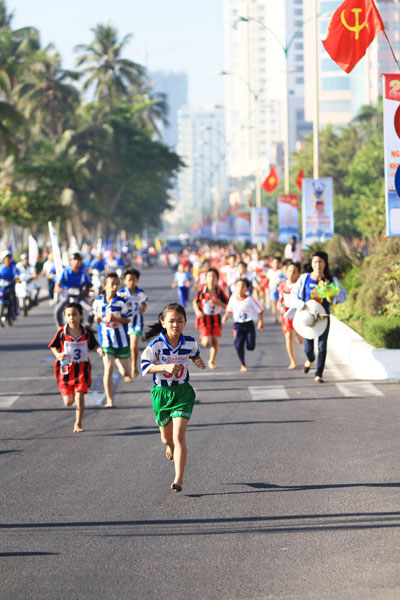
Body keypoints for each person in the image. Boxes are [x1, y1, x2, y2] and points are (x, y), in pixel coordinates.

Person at [141, 303, 206, 492]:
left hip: (183, 392)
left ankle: (178, 479)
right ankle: (169, 446)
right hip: (161, 394)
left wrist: (198, 361)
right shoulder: (156, 346)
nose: (175, 325)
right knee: (166, 438)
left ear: (185, 322)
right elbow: (144, 367)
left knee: (179, 435)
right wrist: (164, 367)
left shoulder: (190, 342)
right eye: (171, 321)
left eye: (180, 321)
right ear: (163, 322)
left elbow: (194, 355)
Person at [289, 251, 347, 383]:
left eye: (320, 261)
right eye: (315, 262)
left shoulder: (331, 280)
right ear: (311, 263)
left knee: (322, 346)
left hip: (323, 317)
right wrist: (301, 305)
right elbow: (293, 296)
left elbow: (344, 295)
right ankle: (310, 359)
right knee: (308, 348)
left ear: (325, 263)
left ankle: (319, 374)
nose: (318, 264)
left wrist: (333, 297)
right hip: (306, 318)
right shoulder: (304, 279)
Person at [48, 303, 104, 432]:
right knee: (68, 402)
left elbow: (94, 345)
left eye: (74, 314)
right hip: (66, 370)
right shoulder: (62, 332)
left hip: (82, 369)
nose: (72, 318)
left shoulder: (86, 332)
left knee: (80, 396)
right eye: (68, 315)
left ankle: (78, 423)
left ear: (81, 316)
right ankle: (70, 393)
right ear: (65, 317)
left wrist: (99, 350)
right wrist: (58, 355)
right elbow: (53, 346)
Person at [93, 272, 133, 406]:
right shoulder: (97, 302)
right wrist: (96, 319)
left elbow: (128, 319)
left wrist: (116, 319)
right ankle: (109, 399)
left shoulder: (123, 302)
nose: (115, 287)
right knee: (108, 368)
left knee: (125, 372)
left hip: (121, 341)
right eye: (112, 284)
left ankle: (122, 364)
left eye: (117, 284)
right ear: (104, 286)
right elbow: (94, 316)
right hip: (105, 341)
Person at [222, 278, 264, 372]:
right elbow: (229, 309)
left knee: (250, 346)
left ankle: (249, 343)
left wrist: (261, 321)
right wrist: (225, 317)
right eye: (238, 286)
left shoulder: (250, 299)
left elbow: (260, 310)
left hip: (249, 324)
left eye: (243, 286)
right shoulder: (233, 298)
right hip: (238, 325)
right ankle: (243, 364)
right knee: (238, 344)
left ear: (247, 289)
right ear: (235, 288)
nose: (240, 288)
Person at [193, 267, 228, 369]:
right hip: (204, 320)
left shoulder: (219, 291)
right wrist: (197, 311)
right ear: (206, 278)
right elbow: (195, 302)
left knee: (215, 342)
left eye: (214, 276)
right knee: (206, 342)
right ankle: (205, 341)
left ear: (217, 279)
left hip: (216, 320)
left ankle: (211, 361)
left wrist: (219, 303)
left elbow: (228, 305)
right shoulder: (202, 290)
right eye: (210, 276)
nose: (212, 279)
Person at [118, 267, 148, 378]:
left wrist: (142, 307)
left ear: (137, 280)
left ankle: (134, 366)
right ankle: (125, 368)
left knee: (133, 345)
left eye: (134, 279)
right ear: (124, 281)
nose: (132, 282)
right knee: (124, 348)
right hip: (122, 324)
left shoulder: (141, 293)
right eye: (129, 279)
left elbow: (144, 306)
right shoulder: (120, 293)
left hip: (136, 323)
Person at [53, 252, 92, 327]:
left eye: (78, 260)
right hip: (67, 296)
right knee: (57, 310)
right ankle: (59, 328)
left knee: (92, 309)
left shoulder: (83, 273)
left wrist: (87, 290)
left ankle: (88, 326)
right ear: (70, 261)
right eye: (74, 259)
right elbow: (57, 285)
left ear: (81, 261)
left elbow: (88, 285)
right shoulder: (65, 272)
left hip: (79, 297)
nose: (76, 261)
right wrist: (59, 289)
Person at [278, 261, 303, 369]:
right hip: (286, 313)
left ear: (298, 274)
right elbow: (281, 299)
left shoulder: (299, 286)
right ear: (286, 272)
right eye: (289, 271)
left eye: (294, 272)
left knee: (301, 340)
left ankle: (298, 333)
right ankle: (292, 360)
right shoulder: (283, 285)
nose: (292, 274)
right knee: (288, 336)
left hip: (298, 312)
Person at [267, 256, 286, 324]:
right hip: (272, 289)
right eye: (274, 263)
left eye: (277, 263)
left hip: (279, 289)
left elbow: (284, 281)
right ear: (271, 264)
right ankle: (275, 317)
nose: (276, 264)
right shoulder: (270, 271)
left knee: (279, 303)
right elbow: (268, 279)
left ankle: (281, 316)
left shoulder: (281, 272)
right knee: (274, 303)